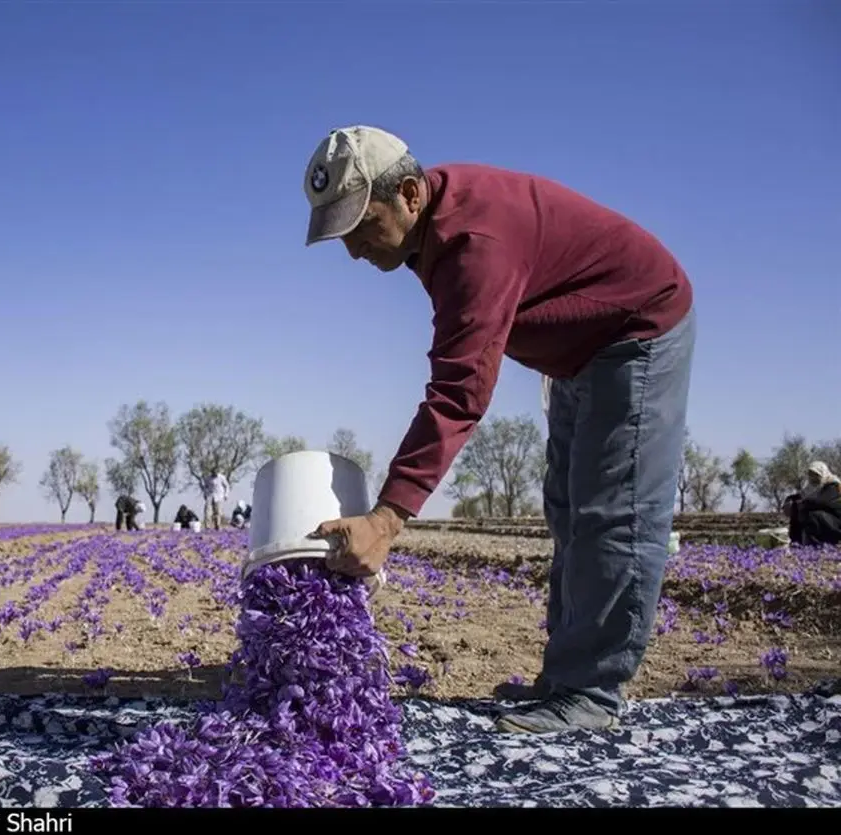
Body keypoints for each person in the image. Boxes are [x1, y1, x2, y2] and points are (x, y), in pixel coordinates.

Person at [301, 125, 696, 735]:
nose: (353, 250)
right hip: (577, 354)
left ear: (409, 193)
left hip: (633, 331)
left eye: (362, 226)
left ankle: (590, 692)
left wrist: (386, 520)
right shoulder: (431, 228)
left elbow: (459, 392)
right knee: (569, 509)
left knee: (613, 514)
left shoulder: (474, 239)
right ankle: (567, 675)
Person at [782, 461, 841, 546]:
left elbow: (821, 501)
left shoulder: (834, 485)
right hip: (824, 519)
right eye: (811, 475)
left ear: (822, 474)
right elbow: (800, 496)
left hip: (836, 522)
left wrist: (802, 503)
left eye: (816, 475)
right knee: (797, 511)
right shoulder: (811, 487)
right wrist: (790, 501)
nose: (813, 478)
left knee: (812, 515)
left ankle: (816, 545)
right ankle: (797, 541)